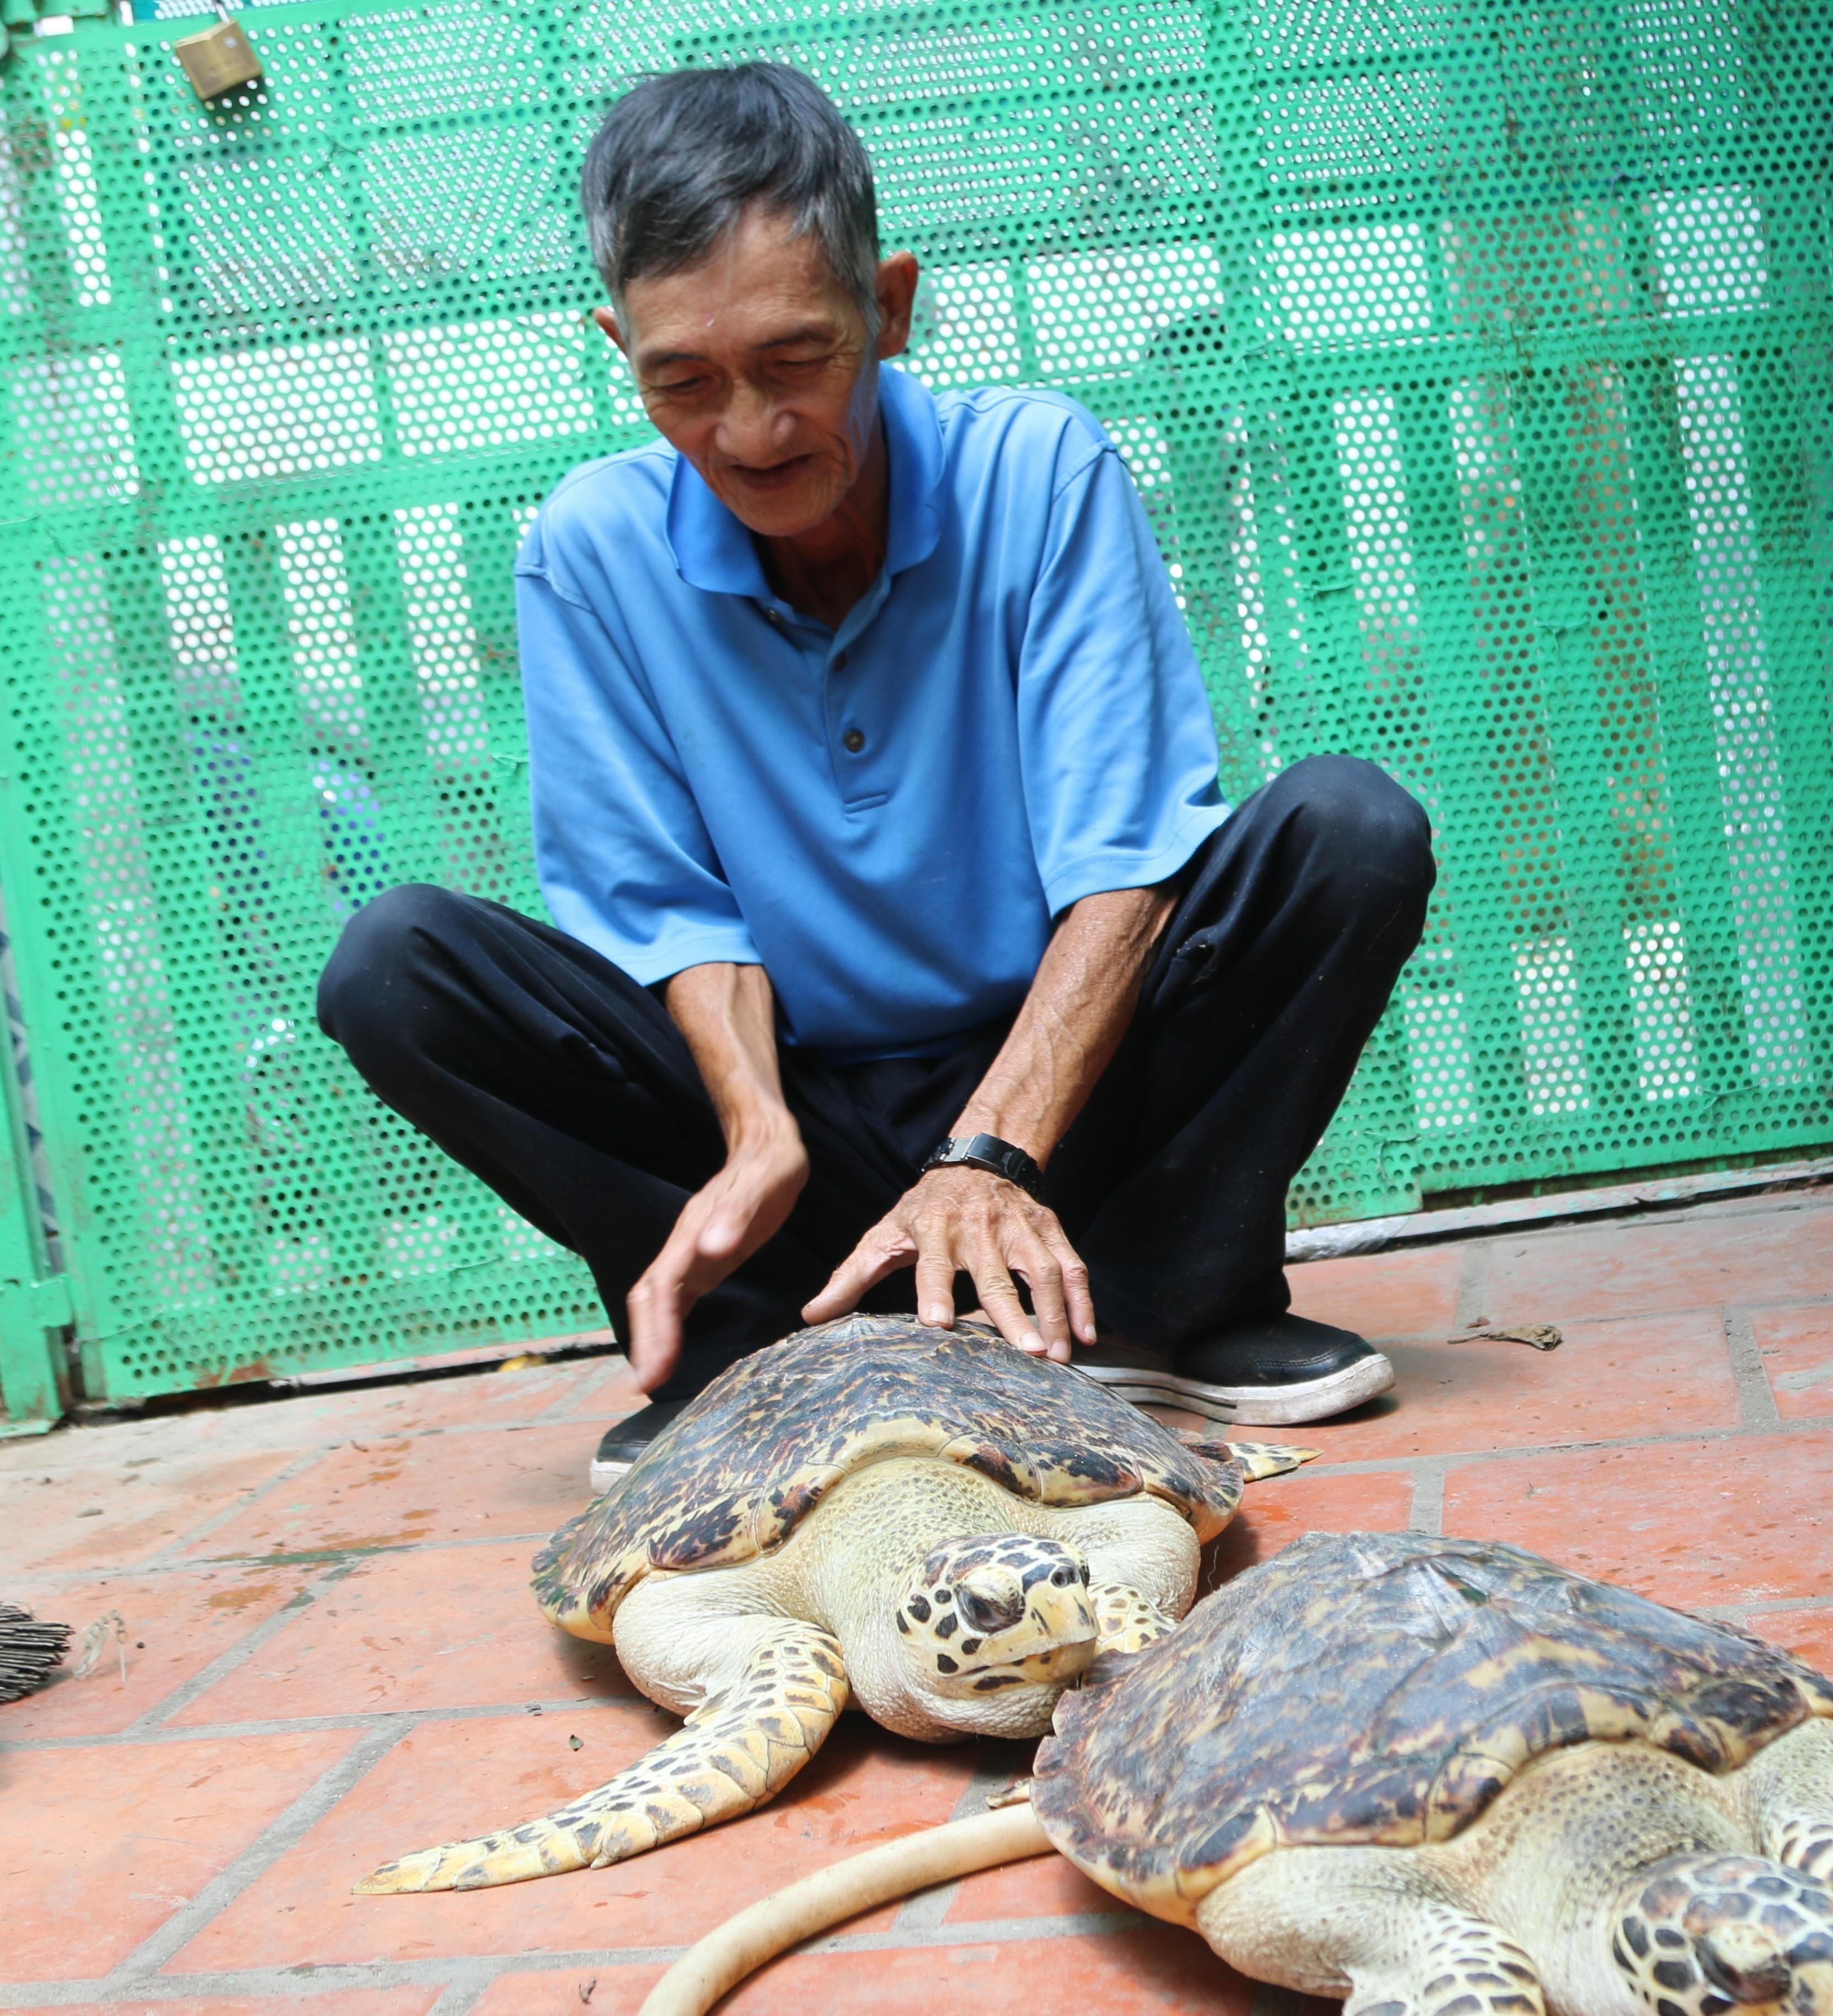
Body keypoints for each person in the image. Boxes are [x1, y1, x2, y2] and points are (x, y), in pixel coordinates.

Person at [316, 62, 1433, 1487]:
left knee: (1347, 833)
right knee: (398, 965)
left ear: (887, 308)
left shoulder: (1040, 472)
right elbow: (660, 906)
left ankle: (1158, 1302)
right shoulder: (590, 553)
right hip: (811, 1140)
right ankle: (760, 1356)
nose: (750, 433)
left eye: (797, 361)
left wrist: (991, 1160)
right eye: (683, 382)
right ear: (624, 349)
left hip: (1057, 1108)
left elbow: (1126, 868)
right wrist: (757, 1126)